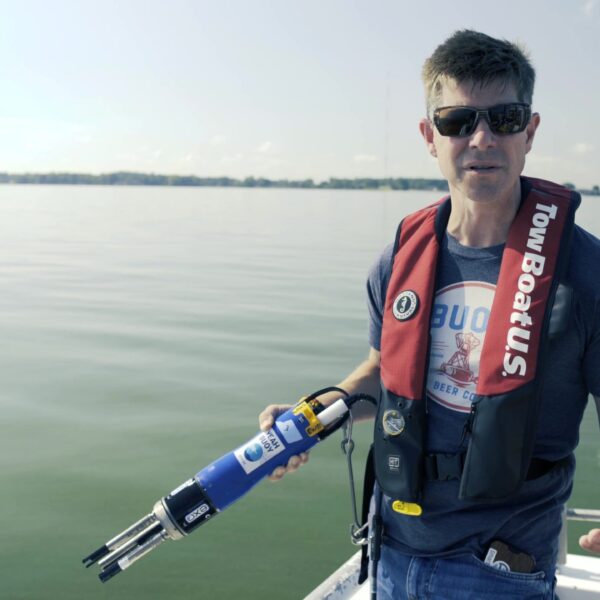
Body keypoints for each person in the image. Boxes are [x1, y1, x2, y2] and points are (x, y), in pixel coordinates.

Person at [259, 30, 600, 599]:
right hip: (391, 546)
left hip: (501, 565)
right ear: (429, 136)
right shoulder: (400, 258)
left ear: (530, 131)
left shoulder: (585, 272)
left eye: (505, 118)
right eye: (457, 121)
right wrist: (309, 421)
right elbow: (381, 372)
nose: (482, 138)